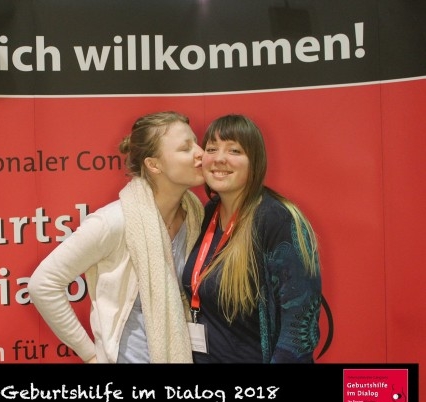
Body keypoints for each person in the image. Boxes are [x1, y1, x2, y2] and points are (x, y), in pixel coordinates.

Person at [28, 111, 205, 363]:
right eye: (186, 148)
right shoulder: (114, 221)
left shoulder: (196, 216)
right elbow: (42, 284)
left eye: (196, 143)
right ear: (154, 165)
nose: (201, 153)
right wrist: (90, 355)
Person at [181, 114, 322, 363]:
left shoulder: (277, 220)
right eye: (211, 149)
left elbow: (299, 332)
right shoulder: (207, 213)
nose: (219, 158)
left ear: (254, 162)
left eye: (234, 150)